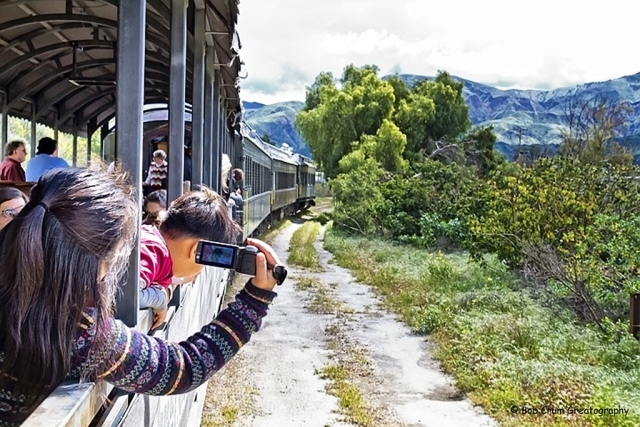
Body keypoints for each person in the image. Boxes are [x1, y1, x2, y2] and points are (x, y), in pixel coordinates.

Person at [0, 167, 284, 426]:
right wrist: (255, 299)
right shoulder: (80, 332)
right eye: (119, 256)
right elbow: (182, 366)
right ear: (96, 261)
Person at [139, 186, 243, 329]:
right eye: (205, 262)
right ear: (195, 251)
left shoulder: (153, 243)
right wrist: (160, 299)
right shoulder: (153, 251)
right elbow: (122, 297)